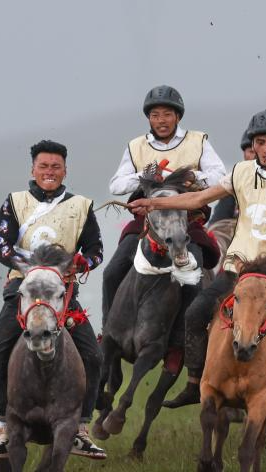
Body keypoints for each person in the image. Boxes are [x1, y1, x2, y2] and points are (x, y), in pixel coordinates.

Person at [129, 109, 266, 408]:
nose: (265, 149)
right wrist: (153, 202)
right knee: (196, 312)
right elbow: (198, 199)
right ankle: (194, 382)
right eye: (260, 142)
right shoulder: (240, 173)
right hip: (237, 267)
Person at [0, 139, 106, 461]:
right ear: (33, 169)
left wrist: (82, 264)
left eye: (56, 167)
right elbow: (1, 246)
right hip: (22, 290)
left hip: (62, 296)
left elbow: (96, 251)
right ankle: (4, 426)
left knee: (93, 356)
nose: (49, 172)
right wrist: (34, 266)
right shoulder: (15, 201)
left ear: (65, 170)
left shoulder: (81, 205)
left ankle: (80, 427)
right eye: (43, 166)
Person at [102, 85, 226, 321]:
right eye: (155, 115)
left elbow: (219, 175)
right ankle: (108, 331)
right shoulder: (136, 146)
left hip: (188, 220)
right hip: (147, 222)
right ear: (148, 118)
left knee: (196, 274)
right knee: (111, 272)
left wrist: (191, 176)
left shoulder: (198, 140)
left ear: (178, 116)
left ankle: (190, 334)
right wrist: (147, 175)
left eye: (167, 114)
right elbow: (116, 185)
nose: (161, 120)